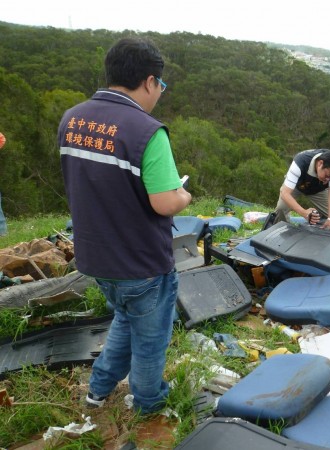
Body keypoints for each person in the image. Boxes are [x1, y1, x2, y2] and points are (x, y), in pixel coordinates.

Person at [57, 37, 191, 415]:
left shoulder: (72, 118)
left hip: (96, 257)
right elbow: (164, 202)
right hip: (141, 262)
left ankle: (97, 389)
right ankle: (149, 403)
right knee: (150, 342)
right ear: (150, 81)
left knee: (125, 321)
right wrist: (184, 196)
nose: (159, 94)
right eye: (161, 86)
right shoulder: (147, 131)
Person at [274, 149, 330, 231]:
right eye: (327, 175)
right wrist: (303, 213)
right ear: (320, 163)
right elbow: (285, 193)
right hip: (296, 185)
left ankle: (323, 235)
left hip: (318, 189)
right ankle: (280, 232)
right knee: (281, 208)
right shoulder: (300, 162)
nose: (328, 180)